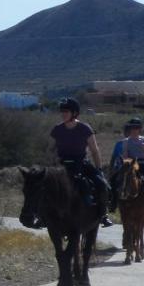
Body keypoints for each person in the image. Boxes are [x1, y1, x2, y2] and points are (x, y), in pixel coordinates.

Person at [49, 97, 112, 227]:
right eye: (62, 111)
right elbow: (51, 150)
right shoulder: (57, 129)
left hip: (81, 163)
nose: (63, 114)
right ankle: (41, 215)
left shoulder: (85, 128)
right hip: (62, 164)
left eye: (66, 111)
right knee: (42, 185)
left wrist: (99, 169)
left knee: (102, 185)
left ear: (74, 113)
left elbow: (94, 150)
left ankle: (103, 214)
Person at [109, 117, 144, 212]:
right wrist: (127, 160)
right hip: (130, 164)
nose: (134, 130)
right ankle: (113, 202)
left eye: (136, 128)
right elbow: (125, 155)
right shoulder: (126, 141)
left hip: (142, 163)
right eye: (132, 128)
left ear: (140, 129)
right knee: (114, 179)